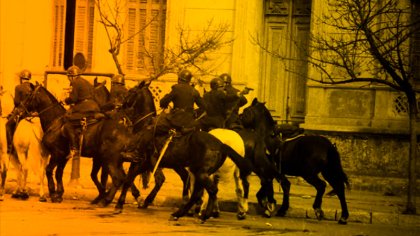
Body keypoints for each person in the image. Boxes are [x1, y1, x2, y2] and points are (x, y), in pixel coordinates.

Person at [62, 65, 100, 160]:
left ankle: (74, 148)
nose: (69, 79)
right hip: (94, 106)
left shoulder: (75, 83)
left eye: (69, 77)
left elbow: (74, 98)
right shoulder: (86, 82)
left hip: (84, 107)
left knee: (68, 121)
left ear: (72, 76)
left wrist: (65, 101)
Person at [158, 69, 205, 134]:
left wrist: (165, 101)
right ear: (189, 80)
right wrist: (194, 112)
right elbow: (203, 106)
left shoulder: (176, 88)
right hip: (190, 120)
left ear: (179, 79)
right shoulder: (194, 91)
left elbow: (163, 102)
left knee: (156, 128)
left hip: (176, 120)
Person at [6, 69, 35, 154]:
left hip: (22, 111)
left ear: (21, 78)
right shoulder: (33, 87)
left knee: (8, 125)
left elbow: (17, 102)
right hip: (32, 112)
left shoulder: (18, 87)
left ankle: (10, 147)